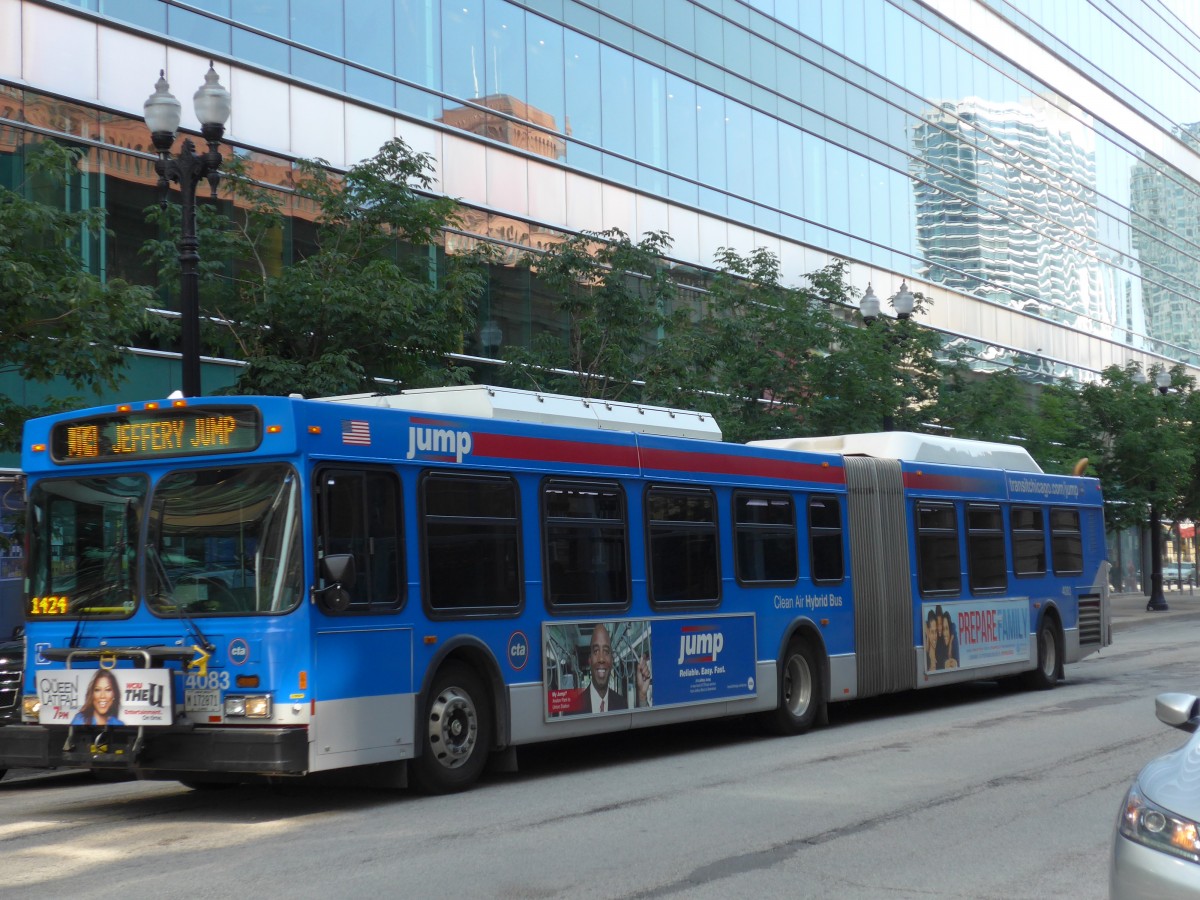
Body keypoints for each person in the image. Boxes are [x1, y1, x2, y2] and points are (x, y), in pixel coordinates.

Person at [579, 623, 650, 713]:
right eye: (596, 651)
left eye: (606, 651)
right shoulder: (573, 709)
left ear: (612, 661)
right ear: (590, 660)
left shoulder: (622, 705)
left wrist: (642, 696)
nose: (601, 659)